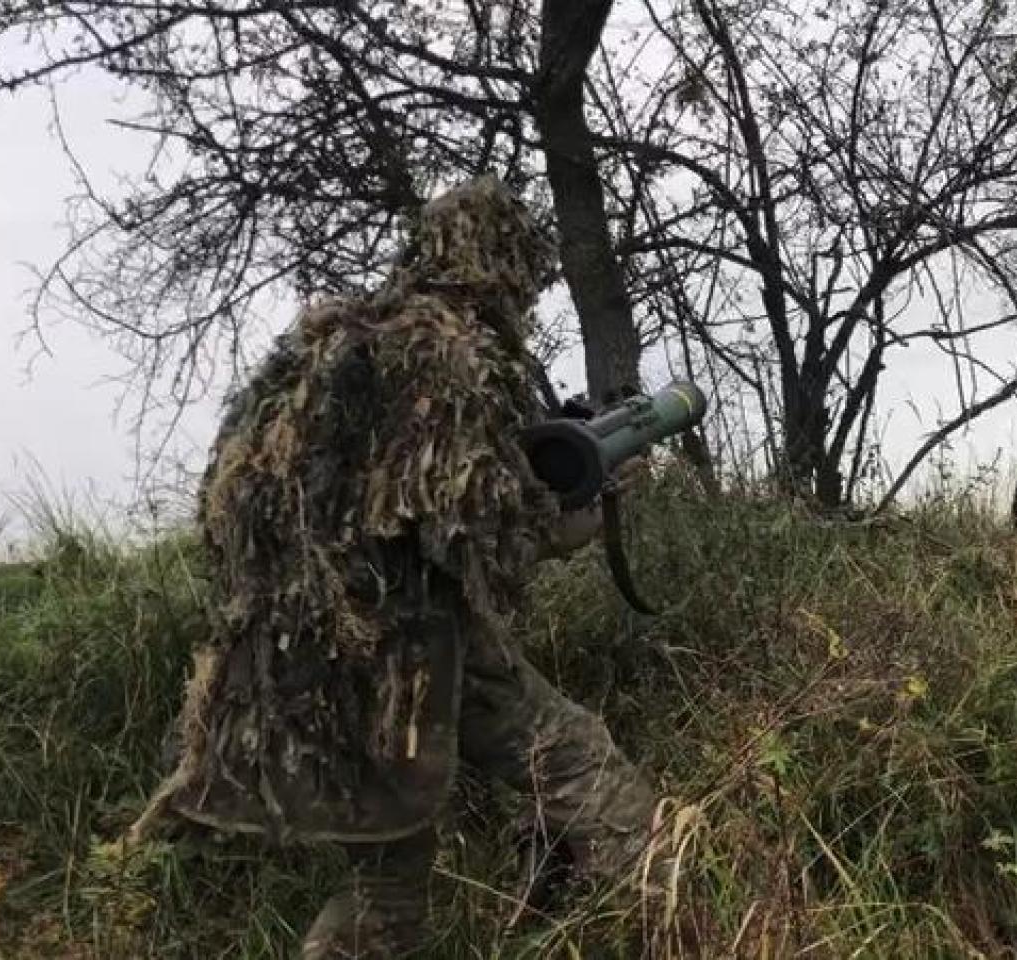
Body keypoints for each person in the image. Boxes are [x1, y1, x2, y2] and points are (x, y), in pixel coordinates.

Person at [130, 175, 666, 958]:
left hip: (294, 650)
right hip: (404, 651)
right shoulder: (452, 352)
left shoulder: (321, 349)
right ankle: (687, 921)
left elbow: (235, 503)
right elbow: (473, 537)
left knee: (387, 877)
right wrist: (566, 525)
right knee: (579, 764)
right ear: (506, 263)